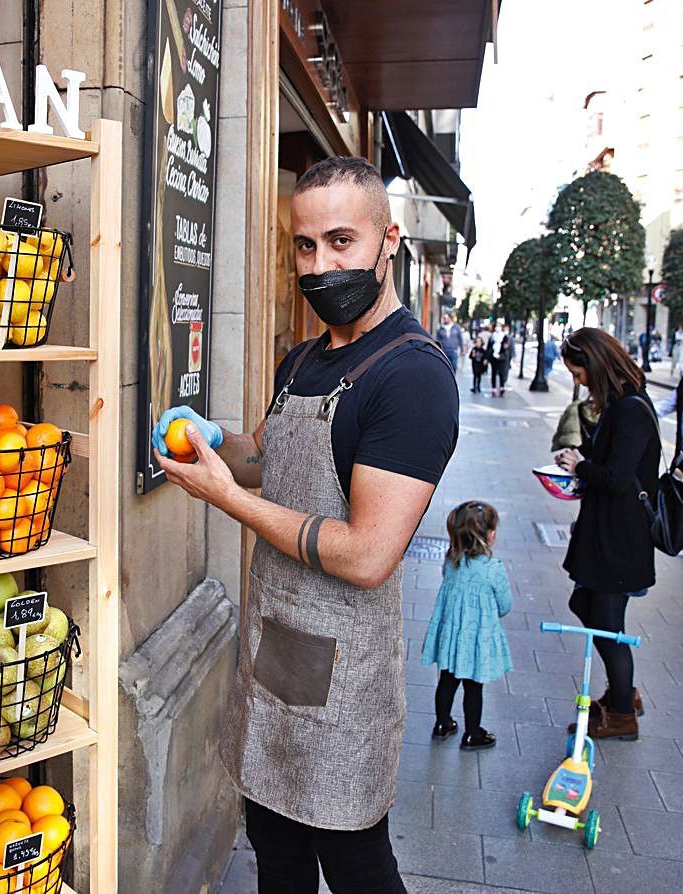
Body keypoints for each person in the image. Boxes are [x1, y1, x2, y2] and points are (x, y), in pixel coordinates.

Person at [151, 156, 459, 893]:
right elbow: (269, 455)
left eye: (342, 242)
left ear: (389, 240)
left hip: (345, 676)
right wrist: (218, 440)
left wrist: (226, 498)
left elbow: (366, 555)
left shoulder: (411, 377)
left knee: (356, 868)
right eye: (305, 245)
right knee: (275, 854)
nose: (321, 265)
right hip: (275, 654)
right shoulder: (303, 359)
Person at [554, 328, 660, 740]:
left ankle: (621, 713)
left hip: (621, 537)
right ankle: (621, 694)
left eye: (579, 374)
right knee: (588, 606)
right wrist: (579, 465)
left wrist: (581, 465)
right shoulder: (618, 404)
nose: (577, 382)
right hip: (608, 530)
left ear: (596, 366)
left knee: (608, 621)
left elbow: (617, 477)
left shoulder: (631, 408)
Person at [421, 501, 512, 750]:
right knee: (474, 688)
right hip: (476, 640)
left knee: (446, 682)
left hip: (451, 636)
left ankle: (442, 724)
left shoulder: (452, 561)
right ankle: (472, 734)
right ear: (490, 536)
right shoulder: (493, 569)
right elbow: (505, 604)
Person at [488, 322, 510, 396]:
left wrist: (505, 347)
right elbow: (489, 347)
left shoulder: (504, 336)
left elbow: (507, 346)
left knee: (501, 373)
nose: (498, 328)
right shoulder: (492, 336)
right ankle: (493, 388)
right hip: (493, 358)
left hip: (501, 357)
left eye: (499, 326)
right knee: (493, 373)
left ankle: (502, 387)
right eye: (497, 326)